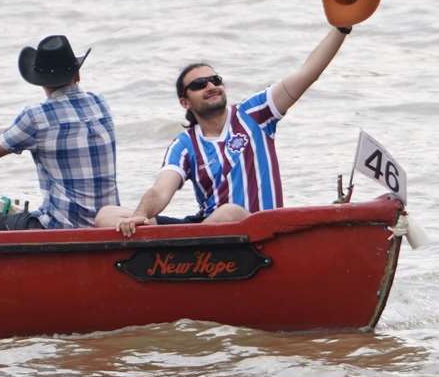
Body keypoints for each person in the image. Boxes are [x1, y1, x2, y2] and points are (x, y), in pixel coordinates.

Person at [98, 26, 353, 236]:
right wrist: (140, 216)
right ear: (184, 102)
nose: (210, 85)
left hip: (258, 231)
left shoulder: (255, 114)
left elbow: (307, 73)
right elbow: (161, 190)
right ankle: (175, 259)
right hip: (210, 228)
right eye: (199, 84)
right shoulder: (185, 144)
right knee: (106, 216)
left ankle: (181, 262)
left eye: (215, 80)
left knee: (229, 212)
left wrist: (341, 28)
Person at [0, 35, 118, 230]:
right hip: (109, 220)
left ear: (42, 83)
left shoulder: (36, 117)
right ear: (77, 76)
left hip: (61, 225)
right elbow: (25, 132)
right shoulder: (99, 103)